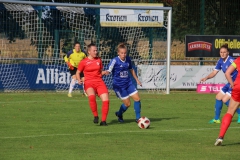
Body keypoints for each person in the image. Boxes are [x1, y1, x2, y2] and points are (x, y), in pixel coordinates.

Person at [200, 43, 240, 124]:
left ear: (228, 52)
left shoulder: (231, 60)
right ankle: (216, 119)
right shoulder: (220, 61)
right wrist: (206, 78)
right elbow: (214, 72)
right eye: (221, 52)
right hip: (230, 83)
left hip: (235, 83)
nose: (222, 54)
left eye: (224, 52)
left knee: (224, 99)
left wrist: (234, 84)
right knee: (218, 97)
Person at [102, 43, 142, 123]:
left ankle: (138, 118)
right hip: (119, 86)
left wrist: (137, 80)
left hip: (128, 83)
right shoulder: (114, 61)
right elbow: (109, 70)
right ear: (118, 53)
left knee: (137, 99)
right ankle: (119, 114)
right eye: (122, 53)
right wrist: (104, 72)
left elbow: (131, 69)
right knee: (127, 104)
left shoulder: (128, 59)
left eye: (125, 53)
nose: (123, 55)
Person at [76, 43, 109, 126]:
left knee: (106, 100)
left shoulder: (99, 60)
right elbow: (78, 72)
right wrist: (79, 79)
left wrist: (104, 72)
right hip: (89, 82)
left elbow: (100, 72)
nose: (96, 52)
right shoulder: (84, 62)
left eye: (96, 50)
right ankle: (96, 116)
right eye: (94, 50)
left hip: (99, 82)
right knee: (92, 96)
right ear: (89, 51)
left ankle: (103, 121)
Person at [214, 55, 240, 146]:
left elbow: (227, 73)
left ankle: (220, 137)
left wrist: (232, 85)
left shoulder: (238, 60)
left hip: (238, 87)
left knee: (230, 112)